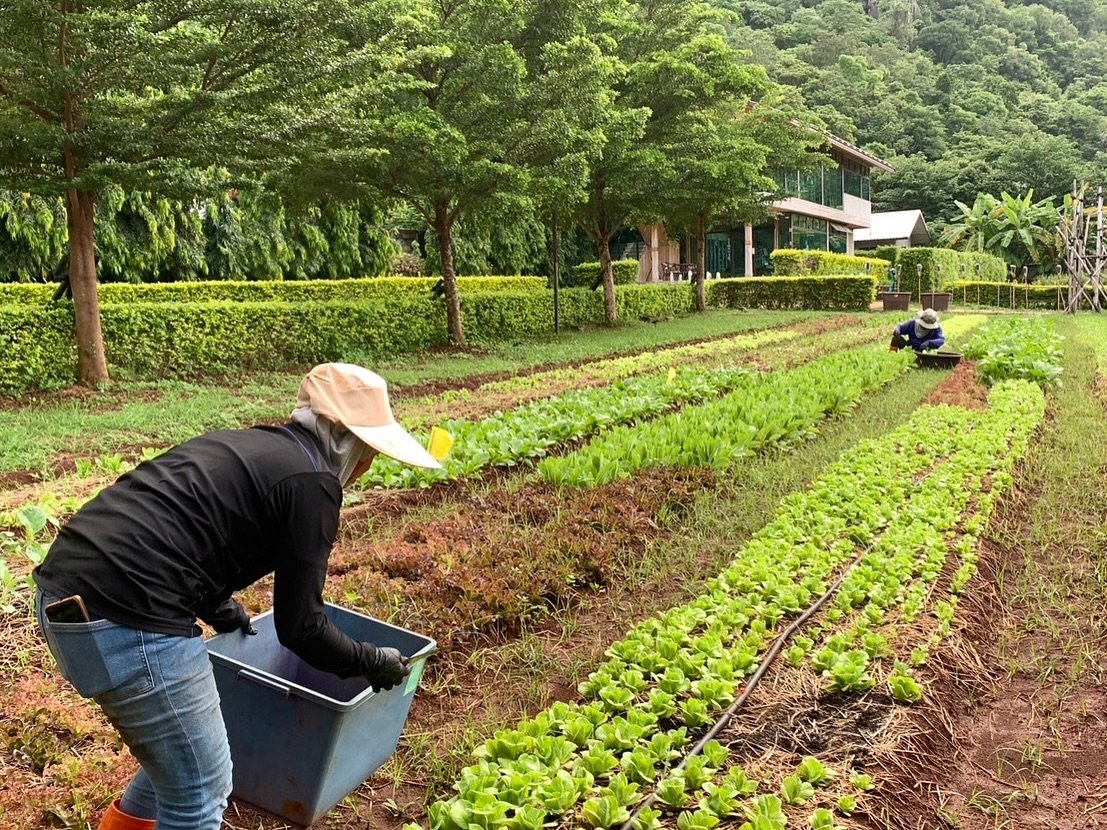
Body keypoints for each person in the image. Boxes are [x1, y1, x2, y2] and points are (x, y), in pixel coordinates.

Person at [32, 363, 442, 830]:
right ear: (350, 443)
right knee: (202, 789)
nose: (366, 467)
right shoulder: (313, 484)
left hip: (61, 599)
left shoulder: (251, 446)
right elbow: (301, 627)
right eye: (369, 453)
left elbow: (181, 532)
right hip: (129, 620)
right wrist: (371, 660)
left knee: (179, 759)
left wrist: (219, 608)